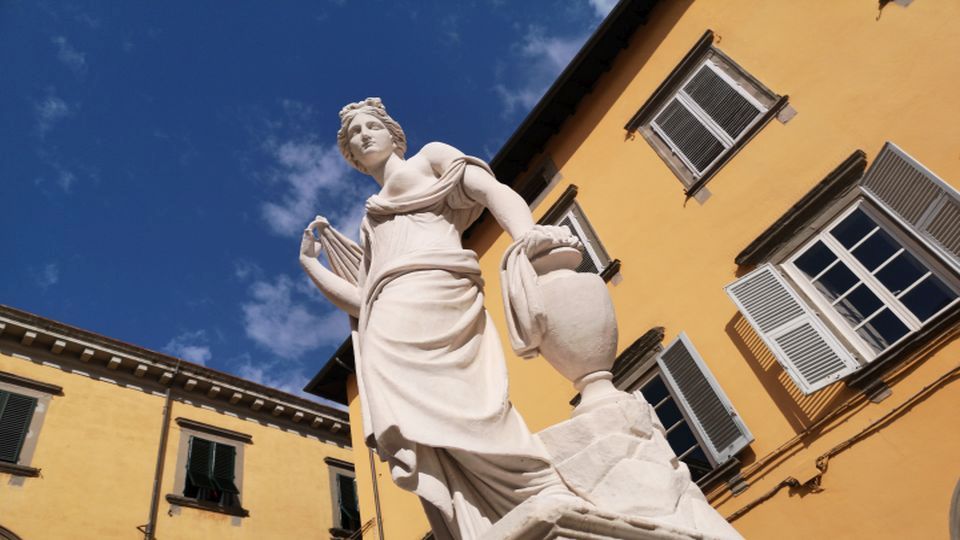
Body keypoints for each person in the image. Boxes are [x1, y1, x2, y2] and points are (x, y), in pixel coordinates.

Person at [298, 98, 572, 539]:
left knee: (467, 403)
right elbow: (362, 300)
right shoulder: (369, 220)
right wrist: (313, 267)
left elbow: (491, 190)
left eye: (371, 126)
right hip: (386, 317)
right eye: (353, 135)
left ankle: (535, 485)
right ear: (350, 157)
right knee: (413, 425)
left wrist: (528, 235)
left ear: (393, 133)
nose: (363, 135)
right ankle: (471, 522)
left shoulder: (431, 158)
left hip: (439, 290)